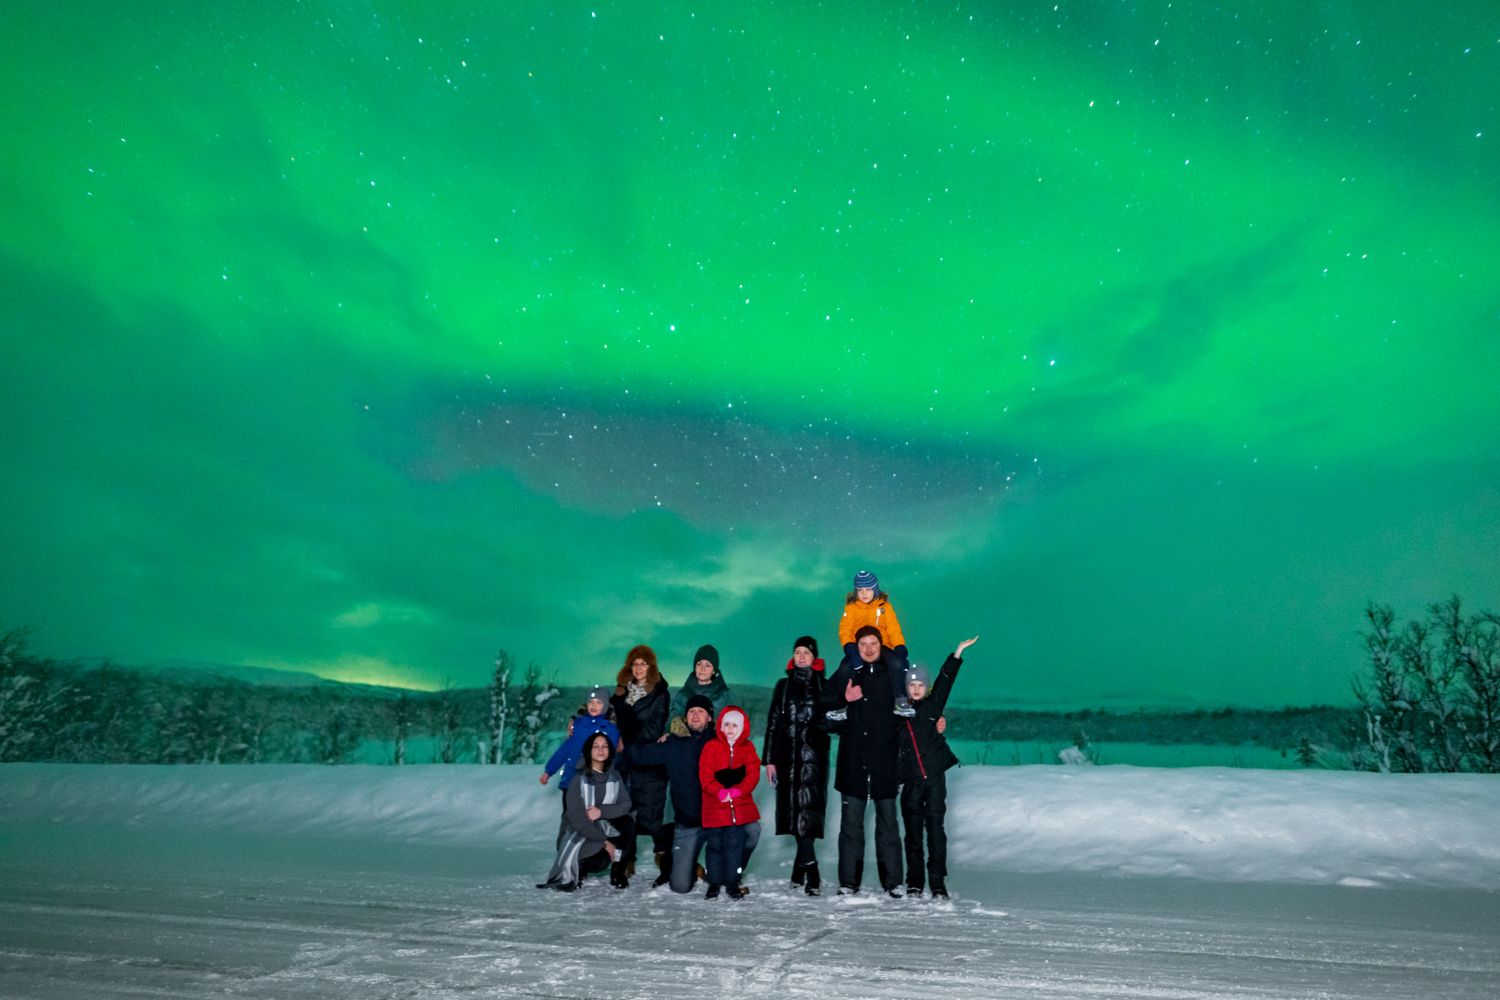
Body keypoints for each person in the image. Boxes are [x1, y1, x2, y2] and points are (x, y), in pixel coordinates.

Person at [631, 693, 746, 893]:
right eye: (691, 711)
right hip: (688, 823)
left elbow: (743, 766)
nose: (695, 715)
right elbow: (640, 756)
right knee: (680, 886)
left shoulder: (722, 742)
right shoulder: (674, 743)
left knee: (752, 831)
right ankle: (690, 864)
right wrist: (622, 732)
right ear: (685, 717)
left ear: (710, 717)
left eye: (700, 711)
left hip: (718, 821)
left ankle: (732, 873)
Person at [822, 625, 904, 896]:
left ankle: (893, 883)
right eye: (863, 644)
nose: (868, 649)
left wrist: (936, 720)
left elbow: (914, 708)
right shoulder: (848, 673)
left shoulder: (893, 675)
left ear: (881, 646)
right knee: (851, 828)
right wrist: (844, 701)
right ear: (856, 647)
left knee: (889, 826)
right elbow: (824, 717)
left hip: (885, 764)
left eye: (873, 644)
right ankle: (848, 883)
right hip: (853, 764)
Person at [898, 636, 978, 899]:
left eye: (921, 684)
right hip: (910, 781)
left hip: (934, 780)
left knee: (935, 831)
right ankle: (914, 882)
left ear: (926, 687)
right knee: (912, 834)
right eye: (913, 685)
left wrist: (957, 653)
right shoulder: (898, 714)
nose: (917, 689)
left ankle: (937, 882)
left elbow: (946, 682)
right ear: (907, 688)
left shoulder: (933, 708)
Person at [762, 635, 830, 895]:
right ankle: (801, 869)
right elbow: (772, 724)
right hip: (787, 760)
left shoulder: (824, 686)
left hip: (813, 762)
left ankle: (811, 871)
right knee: (794, 816)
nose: (801, 656)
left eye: (806, 652)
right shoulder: (783, 686)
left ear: (815, 657)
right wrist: (768, 760)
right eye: (797, 652)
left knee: (807, 816)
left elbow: (832, 721)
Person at [536, 731, 635, 892]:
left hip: (603, 826)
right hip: (579, 834)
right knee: (599, 862)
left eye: (604, 746)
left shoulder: (614, 776)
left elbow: (626, 805)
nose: (600, 750)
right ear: (588, 751)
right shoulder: (577, 780)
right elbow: (578, 820)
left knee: (627, 822)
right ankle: (580, 866)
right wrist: (605, 842)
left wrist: (600, 811)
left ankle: (618, 869)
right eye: (595, 746)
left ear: (610, 750)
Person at [610, 645, 671, 884]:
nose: (638, 668)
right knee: (625, 813)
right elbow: (608, 716)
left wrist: (628, 740)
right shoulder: (620, 692)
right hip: (623, 761)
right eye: (634, 664)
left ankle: (665, 860)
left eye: (643, 664)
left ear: (651, 667)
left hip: (647, 759)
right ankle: (627, 860)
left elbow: (655, 726)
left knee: (652, 814)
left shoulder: (660, 693)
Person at [539, 686, 621, 847]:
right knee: (569, 817)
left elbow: (612, 757)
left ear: (605, 705)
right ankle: (563, 853)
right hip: (570, 781)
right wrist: (549, 771)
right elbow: (565, 750)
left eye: (598, 702)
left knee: (589, 819)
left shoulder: (610, 729)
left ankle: (584, 857)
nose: (593, 705)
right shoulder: (578, 725)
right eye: (591, 702)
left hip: (593, 783)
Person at [698, 704, 761, 899]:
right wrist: (718, 791)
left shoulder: (747, 748)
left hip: (738, 809)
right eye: (727, 724)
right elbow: (705, 774)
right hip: (715, 807)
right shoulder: (711, 747)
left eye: (735, 725)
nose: (730, 729)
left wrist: (740, 790)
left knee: (734, 846)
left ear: (742, 728)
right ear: (720, 726)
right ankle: (714, 882)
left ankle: (733, 882)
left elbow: (753, 773)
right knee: (715, 846)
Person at [837, 570, 908, 673]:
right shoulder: (851, 608)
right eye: (860, 590)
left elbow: (893, 628)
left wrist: (899, 646)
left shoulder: (885, 607)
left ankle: (902, 688)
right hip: (859, 648)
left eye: (868, 589)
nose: (864, 593)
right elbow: (845, 628)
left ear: (875, 589)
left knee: (897, 665)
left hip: (883, 646)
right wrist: (849, 646)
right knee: (845, 669)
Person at [668, 644, 731, 726]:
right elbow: (672, 720)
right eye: (699, 664)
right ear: (695, 668)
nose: (702, 669)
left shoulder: (722, 696)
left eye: (708, 665)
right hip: (684, 737)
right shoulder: (684, 694)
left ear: (714, 671)